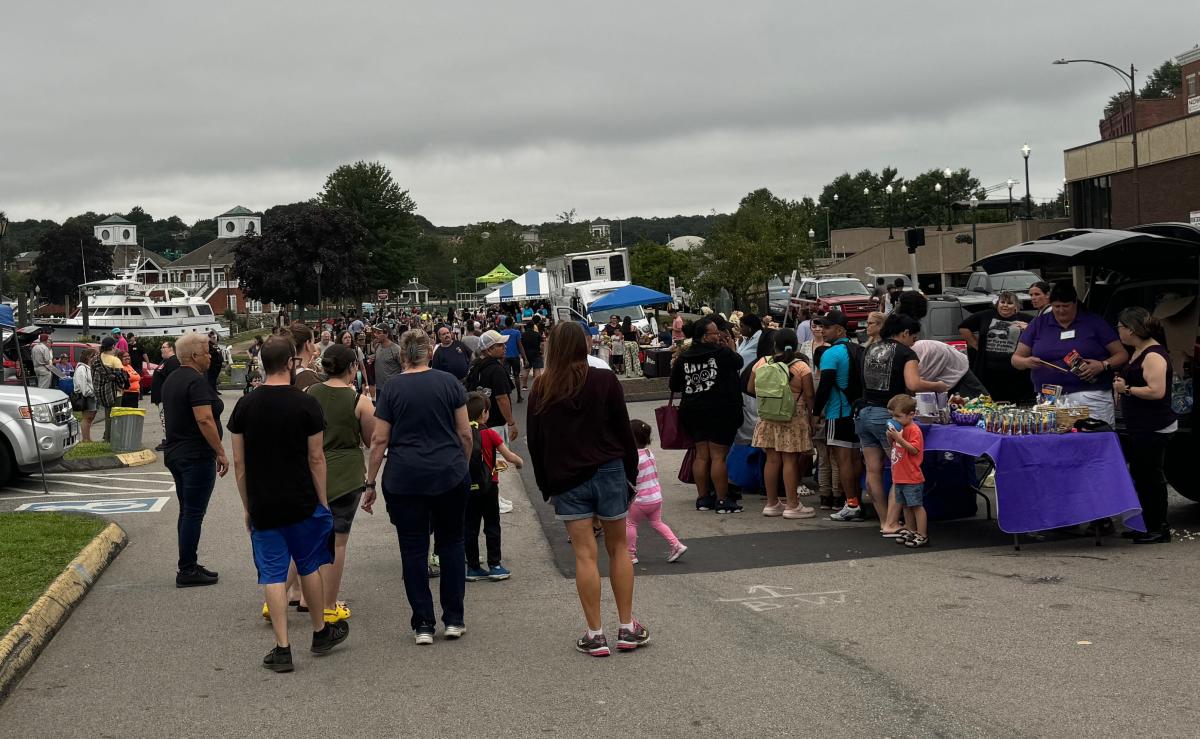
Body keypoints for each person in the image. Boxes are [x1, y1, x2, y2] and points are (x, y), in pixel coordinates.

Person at [228, 336, 349, 672]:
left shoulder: (245, 406)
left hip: (264, 501)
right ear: (291, 363)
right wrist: (322, 500)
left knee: (272, 572)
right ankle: (319, 631)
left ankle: (282, 647)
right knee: (308, 564)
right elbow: (316, 458)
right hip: (302, 500)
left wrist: (248, 506)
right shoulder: (306, 404)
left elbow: (240, 465)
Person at [526, 322, 647, 656]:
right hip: (608, 470)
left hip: (566, 476)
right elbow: (624, 432)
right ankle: (626, 626)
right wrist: (631, 476)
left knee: (584, 554)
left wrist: (544, 485)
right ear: (583, 344)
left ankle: (595, 633)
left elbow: (535, 442)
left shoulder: (542, 386)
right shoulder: (605, 379)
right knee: (618, 547)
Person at [364, 329, 471, 645]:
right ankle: (454, 618)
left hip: (405, 476)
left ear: (402, 356)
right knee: (452, 543)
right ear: (429, 353)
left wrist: (369, 482)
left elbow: (379, 439)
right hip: (448, 472)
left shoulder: (393, 388)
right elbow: (465, 433)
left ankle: (423, 622)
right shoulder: (449, 383)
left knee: (412, 549)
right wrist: (462, 465)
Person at [853, 313, 948, 529]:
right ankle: (892, 522)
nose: (914, 341)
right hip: (887, 416)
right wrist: (938, 385)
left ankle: (885, 521)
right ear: (905, 333)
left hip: (863, 412)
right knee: (900, 470)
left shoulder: (870, 349)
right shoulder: (906, 353)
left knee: (873, 470)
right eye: (913, 336)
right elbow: (913, 384)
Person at [303, 344, 376, 622]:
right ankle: (329, 604)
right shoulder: (360, 400)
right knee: (338, 542)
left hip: (311, 470)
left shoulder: (309, 394)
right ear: (352, 369)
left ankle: (281, 595)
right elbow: (371, 441)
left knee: (306, 539)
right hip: (346, 474)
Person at [161, 333, 228, 588]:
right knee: (193, 513)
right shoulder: (195, 381)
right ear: (194, 356)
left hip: (176, 452)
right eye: (206, 352)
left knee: (187, 510)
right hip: (195, 454)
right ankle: (187, 569)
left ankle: (188, 563)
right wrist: (220, 451)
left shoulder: (172, 379)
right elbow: (204, 419)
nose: (210, 356)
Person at [1012, 283, 1127, 424]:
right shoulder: (1038, 324)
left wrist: (1103, 365)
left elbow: (1122, 354)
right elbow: (1016, 359)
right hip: (1050, 397)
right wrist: (1026, 362)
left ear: (1075, 303)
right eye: (1056, 306)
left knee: (1095, 439)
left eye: (1065, 306)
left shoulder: (1094, 322)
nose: (1061, 311)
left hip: (1091, 395)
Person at [669, 315, 745, 513]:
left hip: (692, 411)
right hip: (720, 410)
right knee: (718, 456)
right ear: (704, 336)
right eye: (714, 333)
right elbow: (738, 362)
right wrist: (730, 347)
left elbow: (674, 385)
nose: (718, 336)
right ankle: (722, 500)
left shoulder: (684, 357)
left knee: (701, 455)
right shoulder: (721, 353)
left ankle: (703, 498)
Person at [1112, 307, 1175, 544]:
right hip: (1138, 424)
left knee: (1151, 477)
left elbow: (1156, 391)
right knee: (1139, 474)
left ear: (1131, 329)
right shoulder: (1137, 351)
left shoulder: (1153, 354)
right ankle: (1145, 523)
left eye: (1120, 327)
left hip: (1154, 425)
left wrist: (1126, 389)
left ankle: (1159, 527)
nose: (1118, 331)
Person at [748, 327, 815, 519]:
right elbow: (810, 394)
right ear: (795, 345)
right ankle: (792, 505)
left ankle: (772, 503)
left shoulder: (762, 362)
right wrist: (812, 416)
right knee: (790, 461)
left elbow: (750, 387)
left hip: (768, 417)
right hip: (793, 417)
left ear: (774, 345)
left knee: (771, 460)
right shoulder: (801, 367)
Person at [464, 392, 523, 582]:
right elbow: (509, 456)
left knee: (470, 527)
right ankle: (495, 565)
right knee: (492, 525)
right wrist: (520, 462)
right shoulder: (490, 434)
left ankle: (472, 567)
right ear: (484, 413)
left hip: (467, 488)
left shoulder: (462, 434)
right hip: (489, 487)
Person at [810, 312, 864, 520]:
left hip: (838, 412)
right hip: (858, 412)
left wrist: (815, 413)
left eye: (827, 327)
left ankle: (851, 504)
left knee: (843, 461)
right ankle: (856, 500)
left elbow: (824, 386)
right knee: (856, 458)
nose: (823, 330)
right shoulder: (859, 350)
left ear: (840, 330)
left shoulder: (830, 354)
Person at [626, 419, 686, 564]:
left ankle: (630, 554)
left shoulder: (633, 458)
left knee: (630, 524)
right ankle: (676, 544)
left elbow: (630, 477)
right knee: (657, 522)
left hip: (639, 499)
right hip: (655, 497)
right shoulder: (648, 453)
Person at [957, 291, 1034, 402]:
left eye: (1010, 303)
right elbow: (963, 327)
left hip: (1015, 374)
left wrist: (1027, 330)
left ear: (1016, 306)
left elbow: (1040, 335)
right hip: (987, 372)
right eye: (1002, 302)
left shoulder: (1026, 319)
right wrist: (975, 344)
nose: (1005, 305)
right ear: (997, 304)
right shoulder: (986, 315)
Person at [884, 394, 928, 548]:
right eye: (893, 416)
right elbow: (895, 446)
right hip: (899, 476)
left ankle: (922, 534)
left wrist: (899, 438)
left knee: (916, 506)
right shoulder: (901, 428)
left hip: (911, 476)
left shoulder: (913, 430)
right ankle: (911, 530)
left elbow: (914, 450)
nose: (895, 419)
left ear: (911, 415)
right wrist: (891, 437)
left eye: (898, 416)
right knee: (905, 506)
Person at [464, 330, 518, 442]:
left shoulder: (475, 364)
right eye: (500, 345)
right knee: (498, 457)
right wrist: (511, 423)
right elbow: (502, 398)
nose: (504, 347)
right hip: (495, 424)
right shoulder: (497, 370)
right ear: (489, 350)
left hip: (477, 424)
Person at [809, 320, 841, 510]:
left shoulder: (811, 379)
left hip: (817, 421)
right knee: (835, 460)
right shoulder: (832, 378)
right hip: (831, 418)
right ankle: (838, 495)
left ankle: (824, 495)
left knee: (822, 460)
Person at [913, 339, 988, 397]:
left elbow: (915, 385)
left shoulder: (920, 350)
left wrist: (937, 386)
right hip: (944, 378)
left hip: (958, 374)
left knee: (982, 405)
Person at [500, 316, 526, 403]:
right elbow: (520, 346)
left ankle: (507, 397)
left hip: (505, 357)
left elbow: (501, 346)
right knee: (516, 376)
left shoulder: (502, 332)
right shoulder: (516, 332)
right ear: (512, 323)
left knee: (506, 378)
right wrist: (524, 358)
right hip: (515, 356)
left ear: (505, 324)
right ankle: (519, 396)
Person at [74, 349, 98, 442]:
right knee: (87, 417)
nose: (96, 357)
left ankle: (88, 437)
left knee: (91, 417)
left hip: (92, 395)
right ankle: (85, 439)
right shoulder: (81, 368)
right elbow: (83, 385)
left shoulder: (89, 367)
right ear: (88, 357)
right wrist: (90, 392)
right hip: (86, 396)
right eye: (94, 355)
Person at [371, 325, 404, 393]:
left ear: (386, 334)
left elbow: (405, 367)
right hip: (379, 388)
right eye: (375, 332)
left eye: (379, 333)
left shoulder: (396, 349)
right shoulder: (378, 346)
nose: (376, 335)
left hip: (392, 389)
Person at [289, 322, 321, 391]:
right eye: (313, 342)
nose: (314, 347)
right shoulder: (309, 377)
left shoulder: (283, 373)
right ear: (307, 344)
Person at [521, 320, 545, 388]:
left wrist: (522, 355)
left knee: (526, 369)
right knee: (537, 370)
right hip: (536, 353)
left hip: (526, 354)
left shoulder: (523, 335)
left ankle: (524, 386)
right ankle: (537, 386)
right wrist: (542, 353)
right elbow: (542, 345)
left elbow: (521, 345)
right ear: (533, 327)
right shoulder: (537, 334)